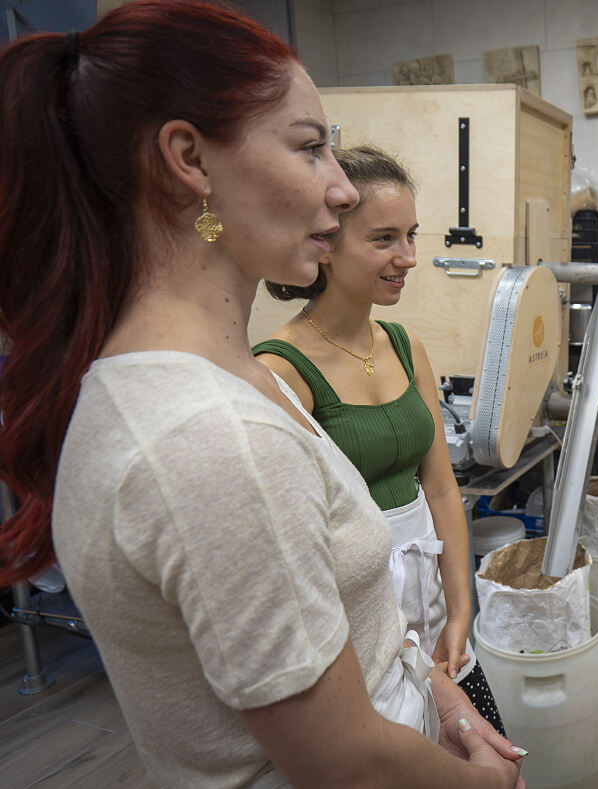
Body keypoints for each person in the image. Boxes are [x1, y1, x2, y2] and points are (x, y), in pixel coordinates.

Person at [0, 2, 525, 786]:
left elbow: (355, 644)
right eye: (311, 148)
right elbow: (347, 764)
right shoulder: (215, 437)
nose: (344, 190)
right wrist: (495, 780)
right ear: (190, 160)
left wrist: (439, 693)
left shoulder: (226, 382)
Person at [253, 144, 505, 734]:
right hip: (358, 602)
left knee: (475, 738)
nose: (409, 257)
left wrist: (460, 606)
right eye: (384, 238)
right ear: (327, 243)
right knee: (397, 745)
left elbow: (442, 489)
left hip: (430, 584)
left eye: (412, 236)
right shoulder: (281, 369)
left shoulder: (404, 345)